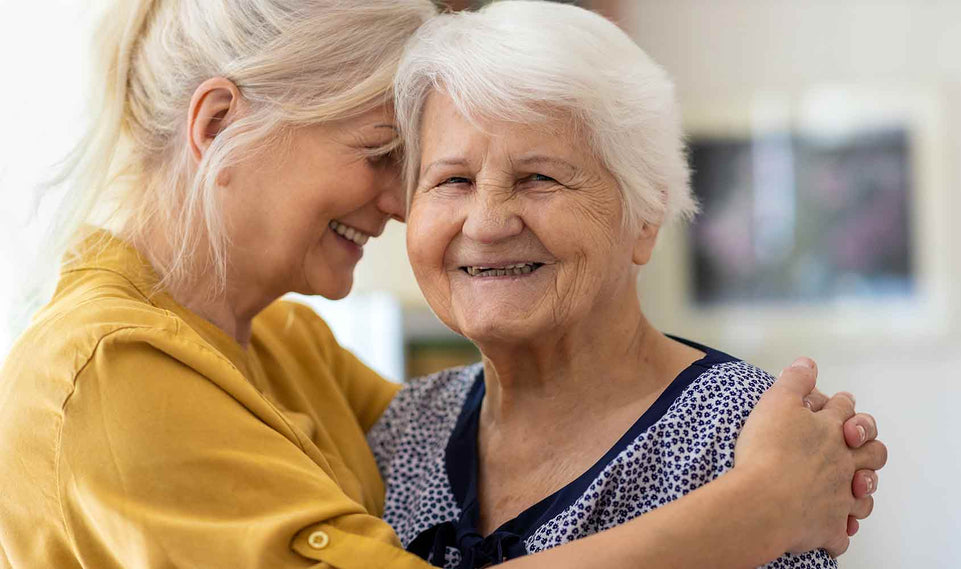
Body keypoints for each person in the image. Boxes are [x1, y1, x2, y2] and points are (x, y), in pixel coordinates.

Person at [0, 0, 883, 568]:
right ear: (221, 124)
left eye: (541, 177)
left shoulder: (286, 347)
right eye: (422, 170)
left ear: (647, 213)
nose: (399, 200)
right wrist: (755, 508)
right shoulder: (110, 373)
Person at [368, 2, 886, 568]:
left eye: (539, 178)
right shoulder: (406, 427)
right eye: (454, 180)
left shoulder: (746, 437)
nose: (488, 223)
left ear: (645, 216)